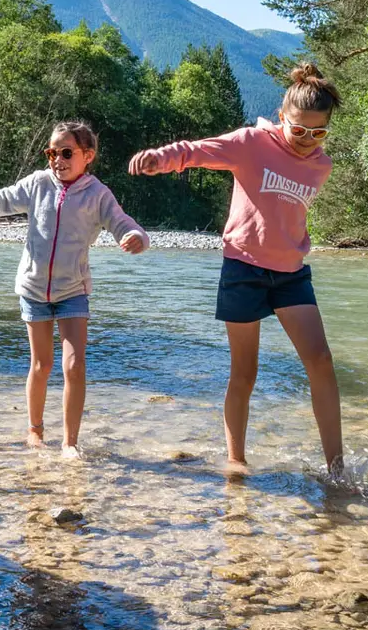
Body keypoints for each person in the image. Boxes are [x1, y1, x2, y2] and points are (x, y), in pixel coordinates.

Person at [128, 63, 345, 476]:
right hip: (243, 268)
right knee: (245, 372)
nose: (307, 141)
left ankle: (336, 469)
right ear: (282, 117)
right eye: (299, 130)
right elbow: (197, 150)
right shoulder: (250, 143)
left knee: (321, 361)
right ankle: (236, 461)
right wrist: (162, 158)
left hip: (291, 274)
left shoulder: (322, 166)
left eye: (318, 133)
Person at [0, 120, 148, 458]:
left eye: (66, 152)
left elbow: (121, 222)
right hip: (34, 290)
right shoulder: (38, 184)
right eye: (52, 152)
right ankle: (35, 430)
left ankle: (69, 443)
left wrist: (137, 237)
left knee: (74, 365)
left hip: (73, 291)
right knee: (41, 365)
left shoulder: (97, 194)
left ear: (88, 155)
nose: (58, 159)